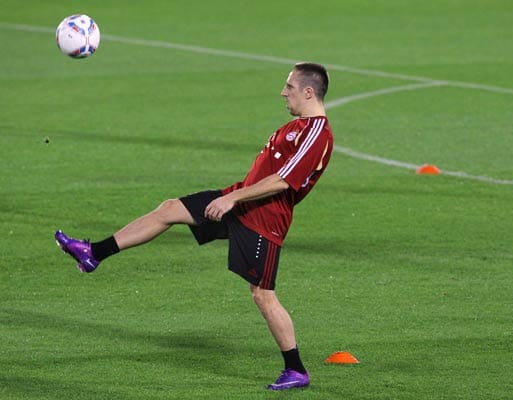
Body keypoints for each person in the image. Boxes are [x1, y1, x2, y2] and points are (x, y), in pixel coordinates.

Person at [54, 62, 333, 391]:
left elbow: (284, 181)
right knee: (170, 209)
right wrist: (234, 197)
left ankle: (296, 369)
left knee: (262, 295)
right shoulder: (297, 126)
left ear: (309, 92)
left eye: (289, 87)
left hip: (264, 219)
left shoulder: (317, 132)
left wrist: (233, 199)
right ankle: (94, 253)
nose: (283, 92)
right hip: (240, 200)